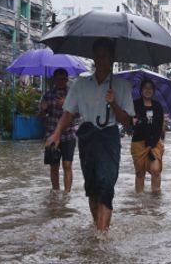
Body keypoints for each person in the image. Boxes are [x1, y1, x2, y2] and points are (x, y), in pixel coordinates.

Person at [46, 38, 134, 232]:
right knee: (92, 188)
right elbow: (68, 113)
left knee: (106, 185)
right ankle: (98, 228)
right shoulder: (80, 84)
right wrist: (56, 134)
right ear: (94, 58)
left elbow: (127, 121)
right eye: (98, 55)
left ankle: (102, 235)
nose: (101, 59)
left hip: (110, 137)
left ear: (112, 58)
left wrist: (113, 103)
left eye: (105, 56)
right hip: (87, 137)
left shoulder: (122, 86)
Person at [40, 68, 77, 193]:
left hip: (69, 135)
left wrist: (66, 104)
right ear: (55, 80)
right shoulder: (48, 95)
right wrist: (43, 109)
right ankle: (55, 192)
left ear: (67, 80)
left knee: (67, 165)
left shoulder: (72, 95)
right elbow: (40, 116)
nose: (61, 81)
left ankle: (67, 193)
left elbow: (79, 115)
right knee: (54, 166)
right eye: (58, 79)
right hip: (52, 134)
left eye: (63, 79)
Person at [130, 78, 165, 193]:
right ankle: (139, 200)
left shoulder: (158, 106)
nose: (148, 90)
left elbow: (159, 127)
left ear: (153, 91)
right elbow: (128, 124)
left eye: (150, 88)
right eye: (145, 88)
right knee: (140, 173)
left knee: (155, 170)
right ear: (141, 90)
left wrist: (151, 144)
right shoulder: (134, 105)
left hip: (154, 143)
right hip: (138, 143)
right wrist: (132, 122)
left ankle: (155, 198)